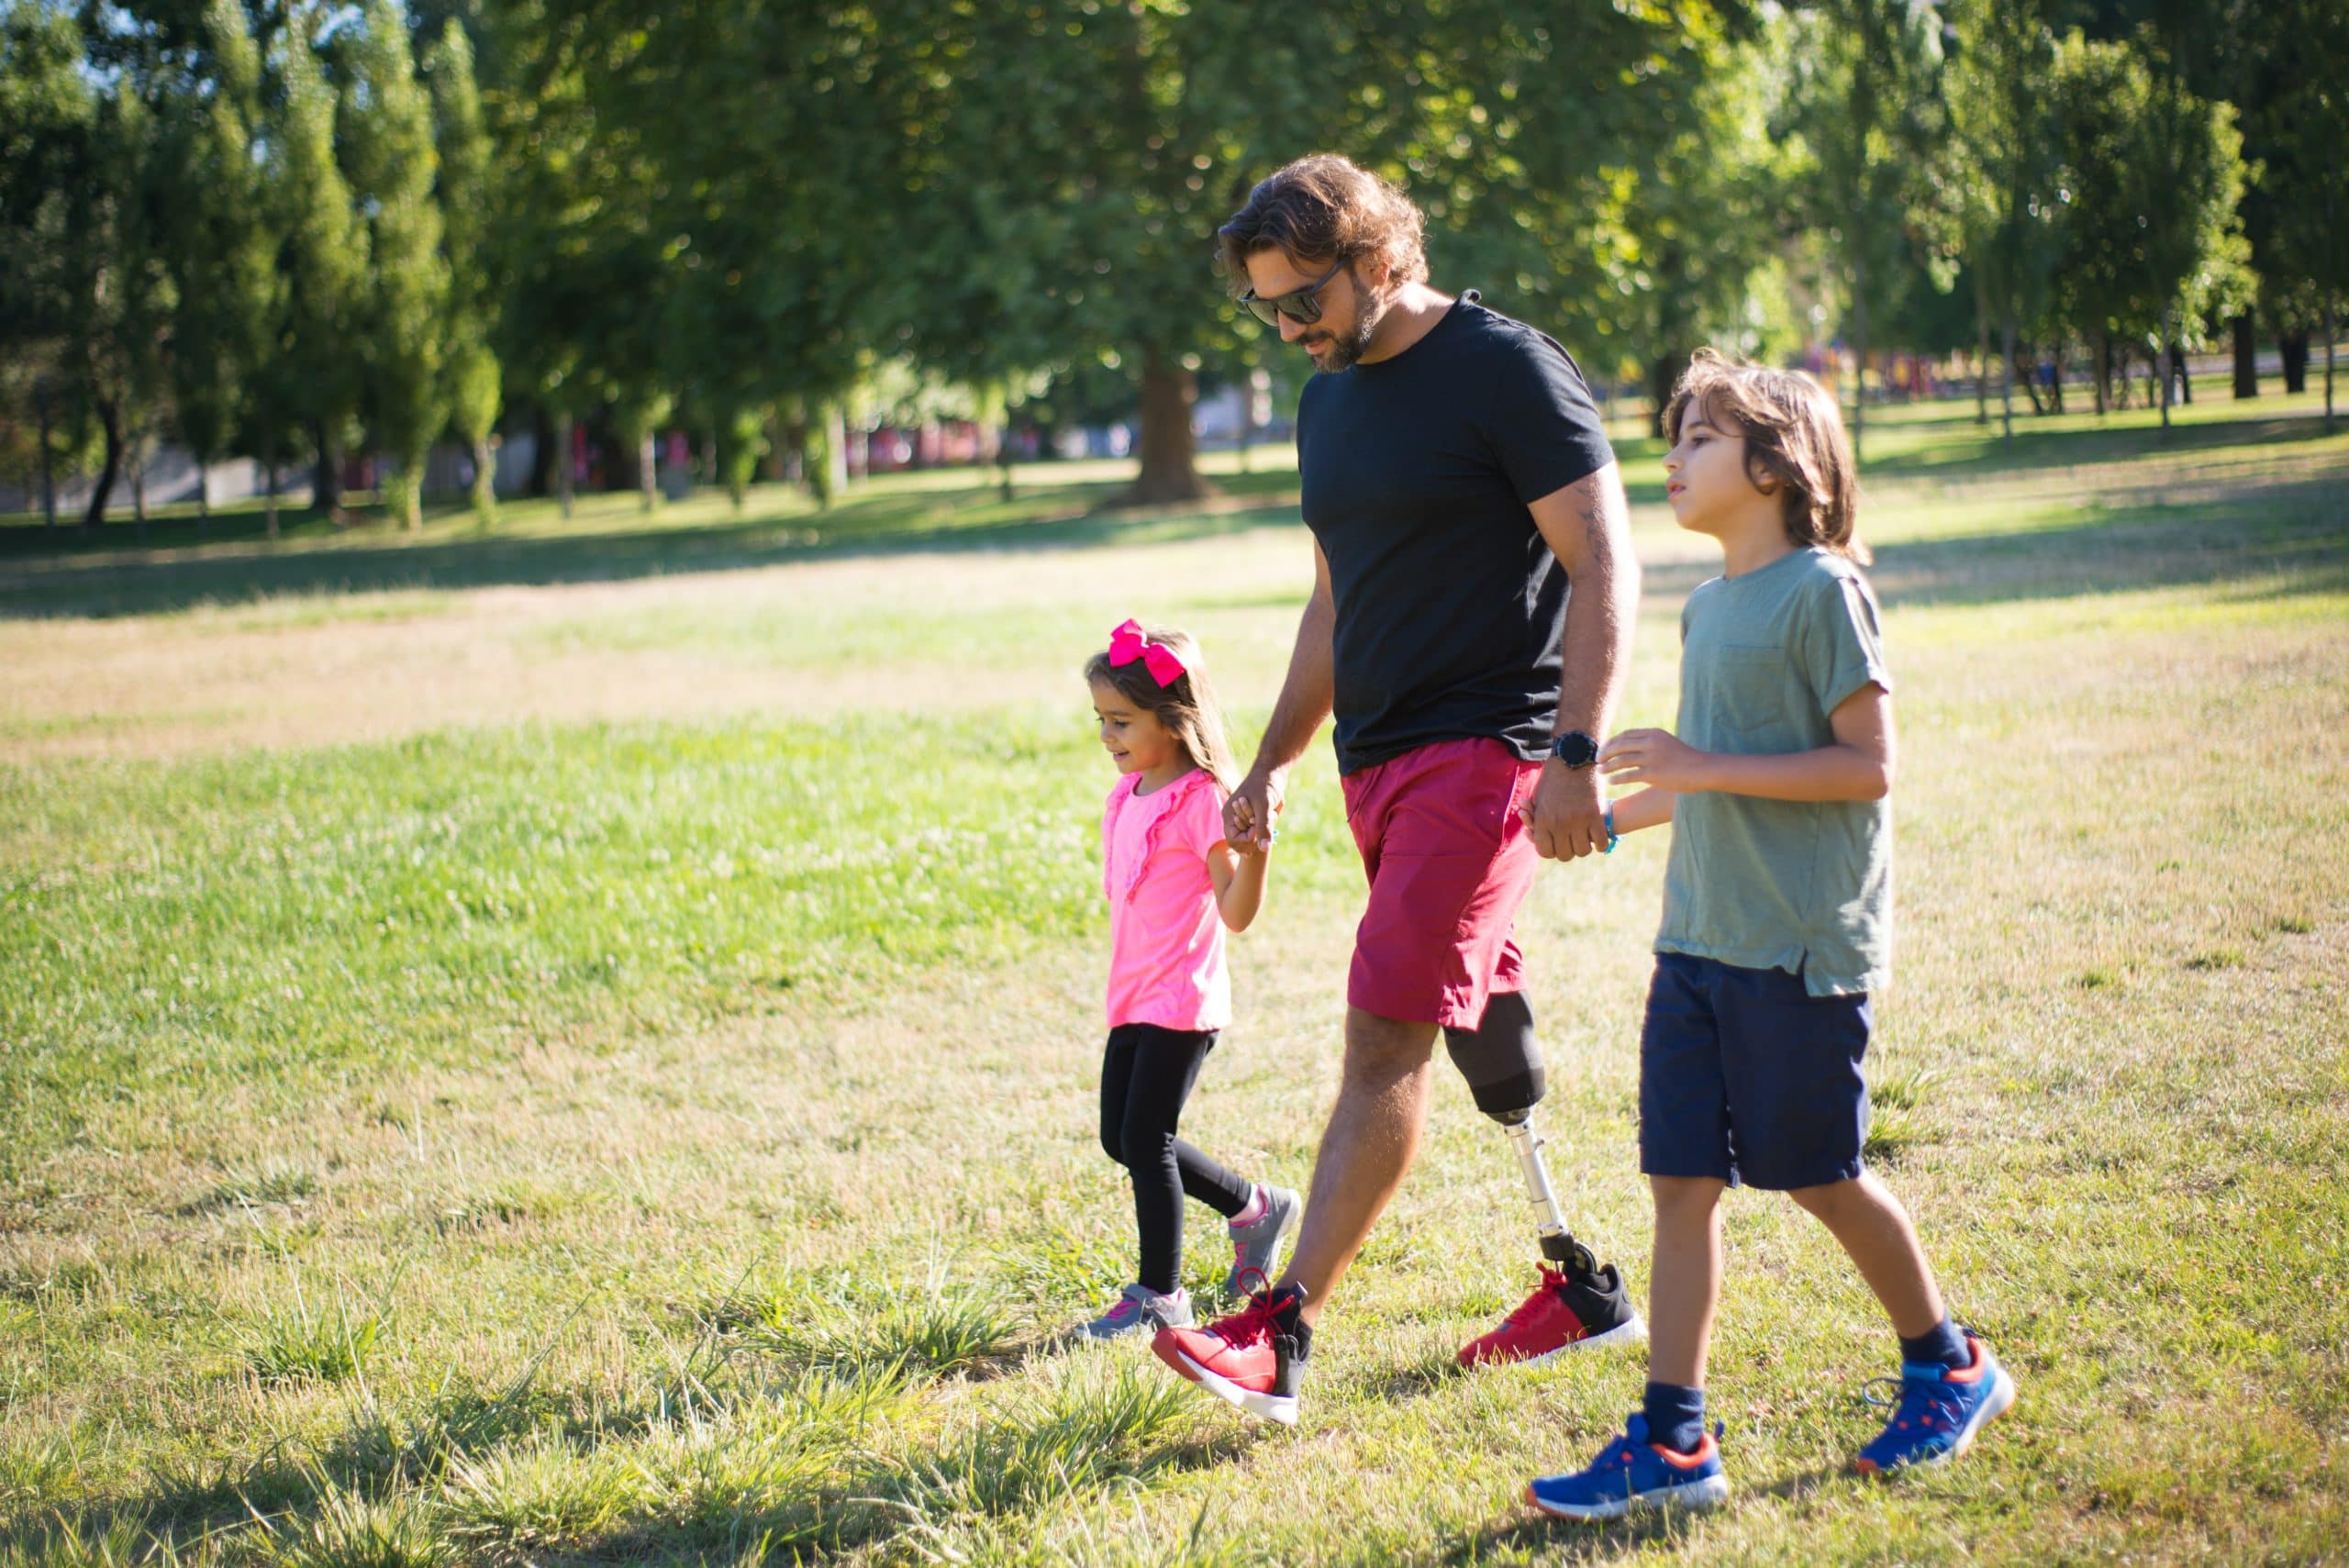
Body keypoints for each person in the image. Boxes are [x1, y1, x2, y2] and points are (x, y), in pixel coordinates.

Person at [1151, 154, 1645, 1427]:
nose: (1286, 328)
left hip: (1488, 755)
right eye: (1264, 308)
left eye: (1300, 297)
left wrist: (1575, 754)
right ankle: (1584, 1287)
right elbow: (1334, 604)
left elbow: (1603, 561)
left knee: (1385, 1031)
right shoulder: (1329, 404)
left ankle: (1283, 1333)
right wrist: (1268, 761)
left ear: (1380, 257)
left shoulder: (1505, 366)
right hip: (1378, 760)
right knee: (1487, 1025)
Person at [1524, 350, 2016, 1519]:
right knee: (1679, 1181)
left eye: (1696, 435)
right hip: (1697, 940)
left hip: (1795, 946)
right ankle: (1674, 1439)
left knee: (1819, 1175)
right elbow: (1709, 782)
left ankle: (1949, 1362)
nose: (1671, 456)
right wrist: (1607, 820)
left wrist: (1696, 765)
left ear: (1772, 460)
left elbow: (1865, 768)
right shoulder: (1709, 604)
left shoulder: (1822, 590)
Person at [1079, 619, 1303, 1341]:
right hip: (1133, 996)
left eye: (1121, 721)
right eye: (1101, 721)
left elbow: (1234, 913)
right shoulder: (1131, 792)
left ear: (1173, 723)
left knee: (1148, 1139)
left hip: (1182, 1000)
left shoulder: (1203, 799)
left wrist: (1257, 856)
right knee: (1124, 1137)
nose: (1108, 736)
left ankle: (1161, 1294)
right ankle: (1252, 1205)